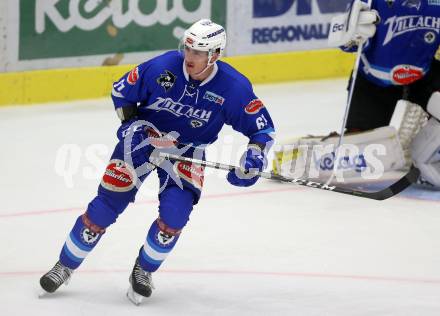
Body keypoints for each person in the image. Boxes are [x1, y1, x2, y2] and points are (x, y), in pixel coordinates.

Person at [39, 19, 275, 305]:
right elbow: (122, 91)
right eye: (188, 48)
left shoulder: (234, 88)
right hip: (143, 141)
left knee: (175, 216)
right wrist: (131, 124)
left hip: (188, 151)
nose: (189, 57)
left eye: (198, 52)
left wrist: (254, 156)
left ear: (214, 55)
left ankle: (144, 270)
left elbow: (262, 129)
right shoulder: (163, 66)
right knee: (106, 205)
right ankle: (64, 266)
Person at [275, 0, 440, 183]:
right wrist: (351, 35)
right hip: (373, 81)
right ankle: (301, 157)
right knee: (362, 148)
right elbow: (343, 38)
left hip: (423, 76)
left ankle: (429, 157)